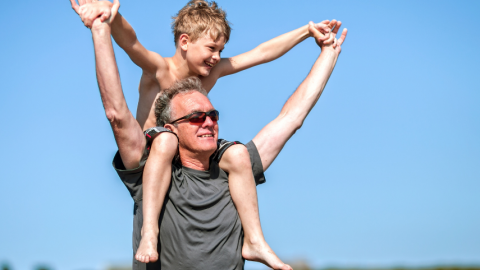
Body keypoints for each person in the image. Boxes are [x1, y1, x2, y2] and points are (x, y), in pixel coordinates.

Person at [72, 0, 347, 268]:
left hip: (185, 149)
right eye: (212, 48)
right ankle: (150, 231)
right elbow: (130, 43)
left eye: (221, 49)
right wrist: (109, 15)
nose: (217, 57)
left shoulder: (209, 75)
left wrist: (306, 31)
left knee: (237, 153)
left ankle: (255, 239)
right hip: (156, 145)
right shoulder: (159, 68)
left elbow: (261, 53)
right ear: (184, 42)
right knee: (166, 142)